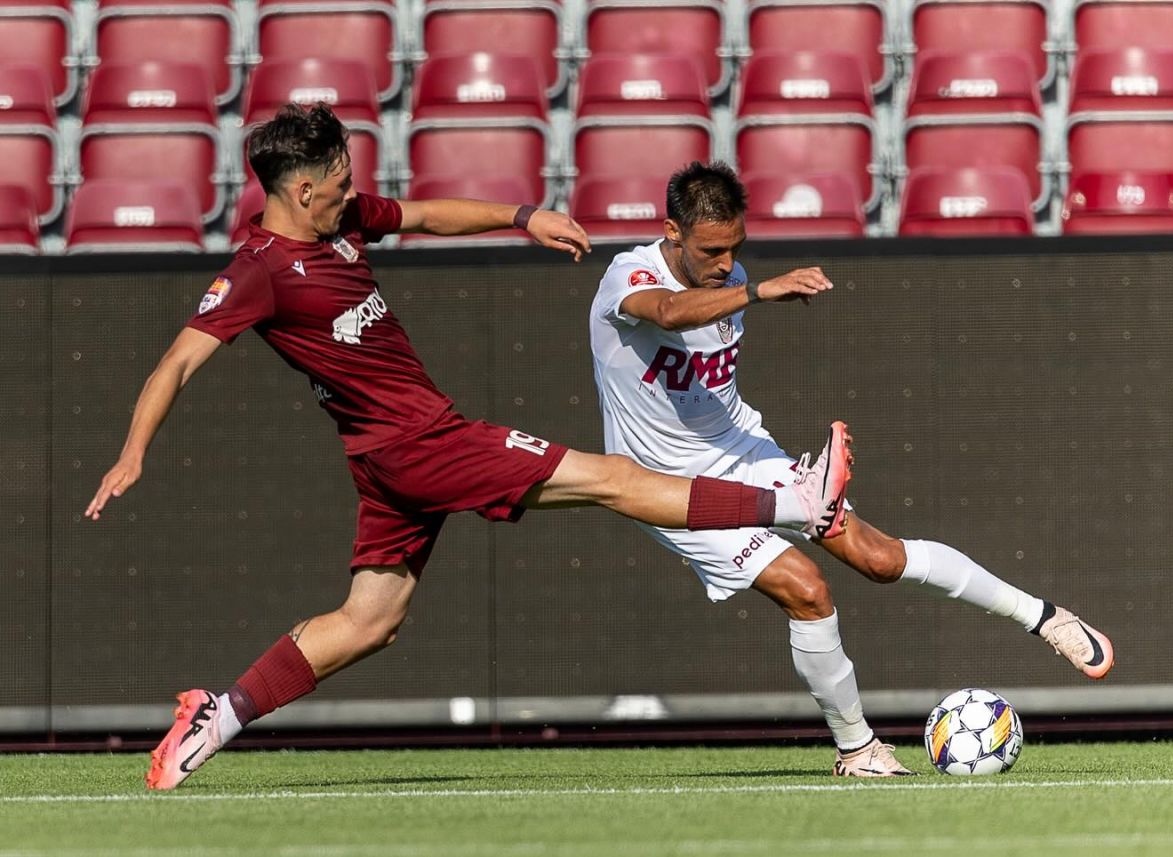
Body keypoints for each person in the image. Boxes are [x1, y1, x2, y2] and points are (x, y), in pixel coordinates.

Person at [84, 104, 854, 791]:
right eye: (341, 182)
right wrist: (132, 452)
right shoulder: (258, 272)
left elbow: (425, 214)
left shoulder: (342, 221)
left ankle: (214, 718)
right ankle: (794, 501)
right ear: (300, 191)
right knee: (617, 478)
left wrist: (521, 216)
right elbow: (178, 358)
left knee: (369, 621)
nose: (355, 192)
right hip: (424, 444)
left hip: (389, 458)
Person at [588, 161, 1116, 777]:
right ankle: (858, 749)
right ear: (672, 232)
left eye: (736, 247)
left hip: (743, 452)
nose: (726, 261)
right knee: (806, 589)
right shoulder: (628, 274)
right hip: (668, 486)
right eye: (711, 249)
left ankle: (1046, 619)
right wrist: (760, 290)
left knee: (880, 559)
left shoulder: (730, 272)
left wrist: (746, 286)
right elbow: (672, 314)